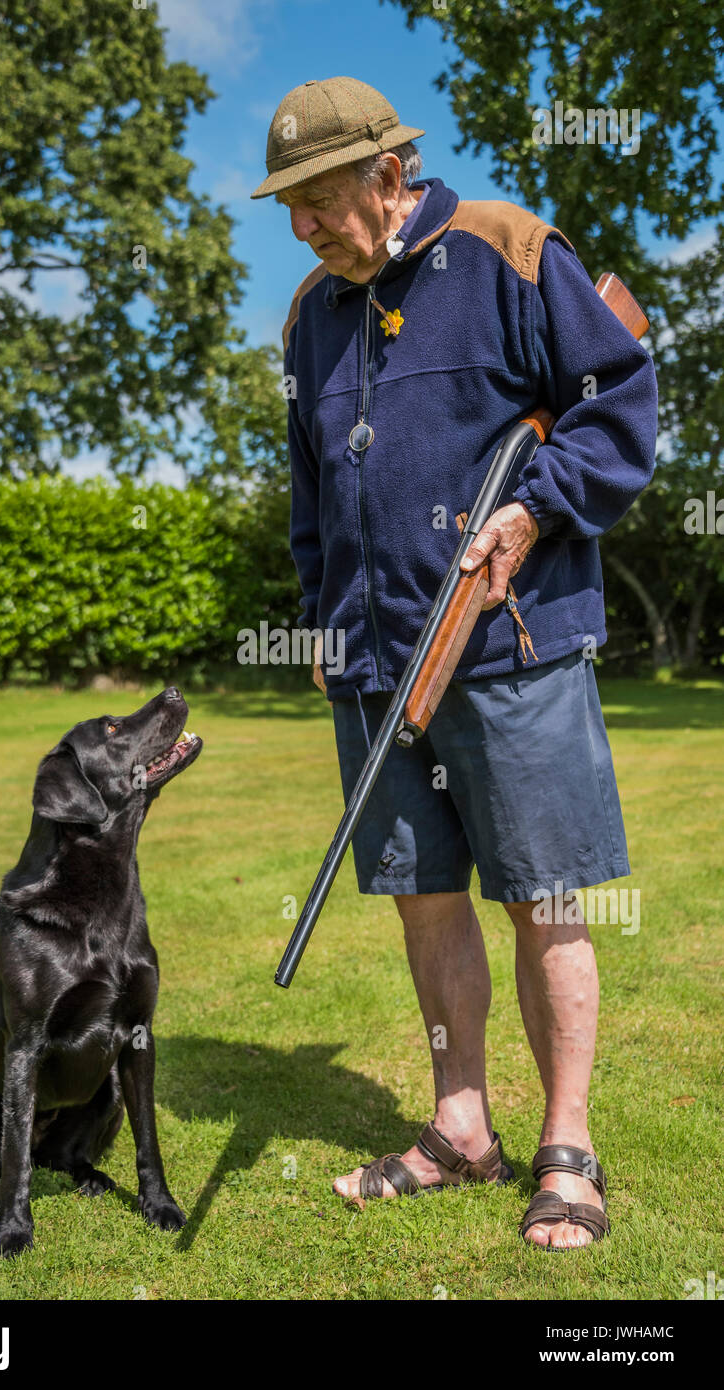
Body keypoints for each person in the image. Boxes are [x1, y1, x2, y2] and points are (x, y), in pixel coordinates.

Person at [251, 77, 657, 1248]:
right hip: (380, 661)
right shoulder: (308, 318)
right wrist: (326, 618)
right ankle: (460, 1124)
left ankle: (566, 1150)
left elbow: (615, 402)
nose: (303, 230)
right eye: (291, 209)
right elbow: (311, 500)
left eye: (320, 202)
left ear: (388, 175)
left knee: (542, 894)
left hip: (512, 647)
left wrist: (532, 513)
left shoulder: (509, 253)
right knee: (424, 901)